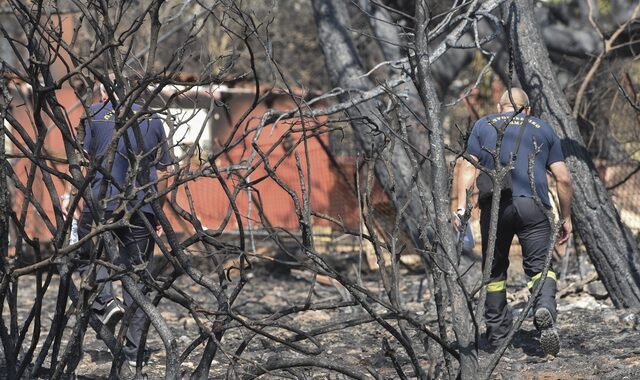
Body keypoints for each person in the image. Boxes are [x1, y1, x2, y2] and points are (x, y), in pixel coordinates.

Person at [454, 88, 573, 356]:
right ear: (527, 109)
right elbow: (563, 178)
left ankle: (497, 337)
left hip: (495, 206)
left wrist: (461, 207)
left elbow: (466, 166)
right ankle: (543, 306)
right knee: (540, 266)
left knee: (494, 272)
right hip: (534, 207)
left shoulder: (483, 125)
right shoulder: (543, 128)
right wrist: (565, 216)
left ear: (499, 106)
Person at [71, 76, 172, 367]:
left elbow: (81, 162)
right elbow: (165, 173)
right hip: (142, 207)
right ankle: (133, 353)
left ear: (103, 91)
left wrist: (78, 201)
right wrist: (158, 211)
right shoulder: (153, 119)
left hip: (101, 204)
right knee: (138, 277)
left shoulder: (92, 114)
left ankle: (105, 302)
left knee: (87, 256)